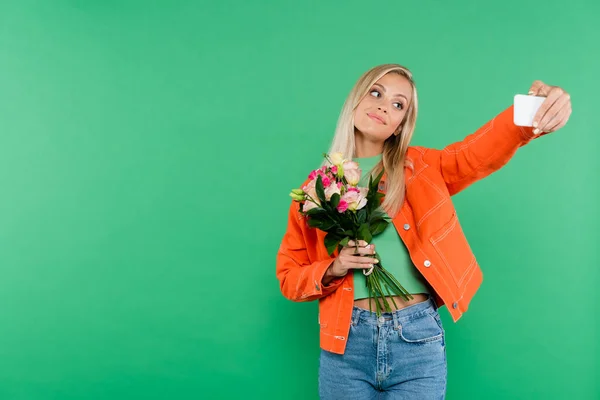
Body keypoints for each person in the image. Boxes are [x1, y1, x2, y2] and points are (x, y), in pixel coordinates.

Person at [275, 63, 571, 399]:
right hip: (345, 344)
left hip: (416, 340)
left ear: (401, 124)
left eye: (398, 104)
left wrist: (530, 113)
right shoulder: (315, 192)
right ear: (355, 101)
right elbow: (288, 276)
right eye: (376, 92)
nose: (385, 106)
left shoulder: (423, 168)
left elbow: (474, 155)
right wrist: (334, 267)